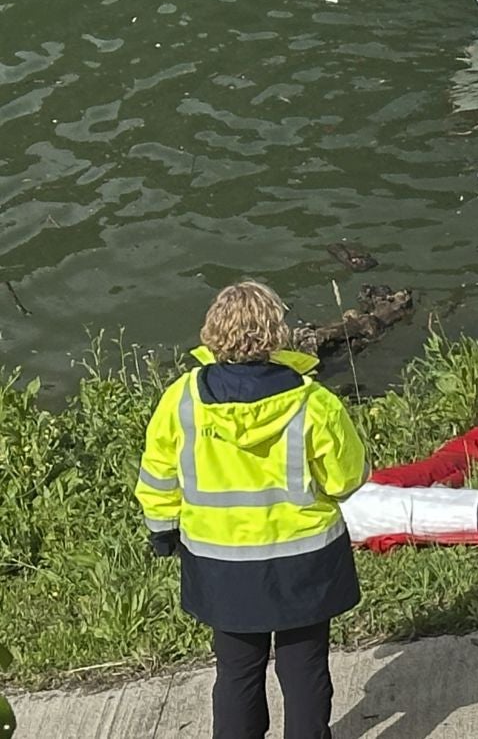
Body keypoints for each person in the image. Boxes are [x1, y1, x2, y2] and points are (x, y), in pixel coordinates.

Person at [137, 282, 369, 739]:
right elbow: (345, 480)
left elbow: (158, 474)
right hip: (302, 563)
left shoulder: (181, 400)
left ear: (213, 332)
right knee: (304, 669)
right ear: (274, 334)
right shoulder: (312, 402)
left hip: (221, 567)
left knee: (237, 671)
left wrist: (162, 530)